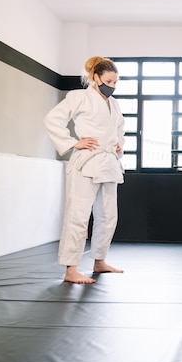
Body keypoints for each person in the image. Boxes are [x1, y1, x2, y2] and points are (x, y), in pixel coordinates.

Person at [44, 56, 125, 284]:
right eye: (109, 80)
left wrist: (119, 145)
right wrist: (72, 143)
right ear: (96, 77)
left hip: (109, 162)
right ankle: (71, 269)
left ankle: (99, 261)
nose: (112, 86)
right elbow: (53, 119)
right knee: (78, 215)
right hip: (87, 161)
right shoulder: (79, 97)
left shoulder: (115, 104)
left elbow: (120, 129)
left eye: (115, 82)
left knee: (108, 215)